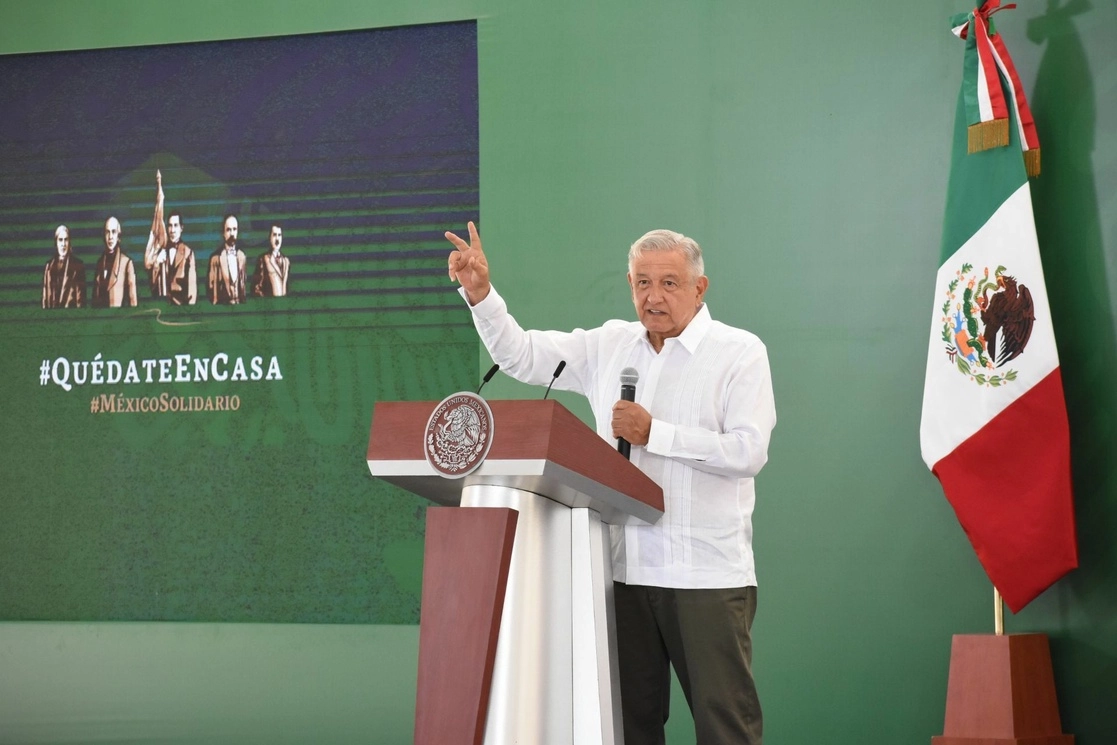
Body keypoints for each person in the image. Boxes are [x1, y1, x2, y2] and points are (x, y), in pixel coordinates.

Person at [445, 221, 776, 745]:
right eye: (642, 283)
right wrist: (481, 295)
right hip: (622, 573)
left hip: (705, 576)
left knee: (725, 728)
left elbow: (747, 450)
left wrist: (656, 433)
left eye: (669, 283)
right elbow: (522, 355)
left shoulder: (739, 352)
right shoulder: (608, 345)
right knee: (628, 727)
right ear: (629, 285)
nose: (654, 295)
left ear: (699, 287)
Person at [143, 170, 197, 305]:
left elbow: (192, 290)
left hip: (182, 309)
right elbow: (153, 286)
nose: (172, 230)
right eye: (170, 226)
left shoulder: (188, 253)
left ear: (181, 228)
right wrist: (156, 264)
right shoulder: (162, 251)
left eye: (175, 226)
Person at [92, 216, 137, 307]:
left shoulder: (127, 263)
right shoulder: (100, 263)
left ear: (118, 236)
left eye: (113, 232)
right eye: (107, 232)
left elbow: (133, 302)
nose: (110, 237)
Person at [42, 224, 85, 308]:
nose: (63, 244)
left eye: (66, 240)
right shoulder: (48, 267)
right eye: (60, 240)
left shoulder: (78, 266)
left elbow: (80, 301)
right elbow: (45, 300)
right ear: (56, 243)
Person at [208, 214, 247, 305]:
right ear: (223, 233)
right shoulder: (215, 258)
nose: (232, 233)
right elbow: (211, 288)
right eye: (228, 230)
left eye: (234, 229)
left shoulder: (242, 256)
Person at [252, 224, 290, 297]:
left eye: (279, 235)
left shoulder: (286, 261)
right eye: (274, 235)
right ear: (270, 237)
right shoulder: (263, 259)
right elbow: (256, 288)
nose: (277, 239)